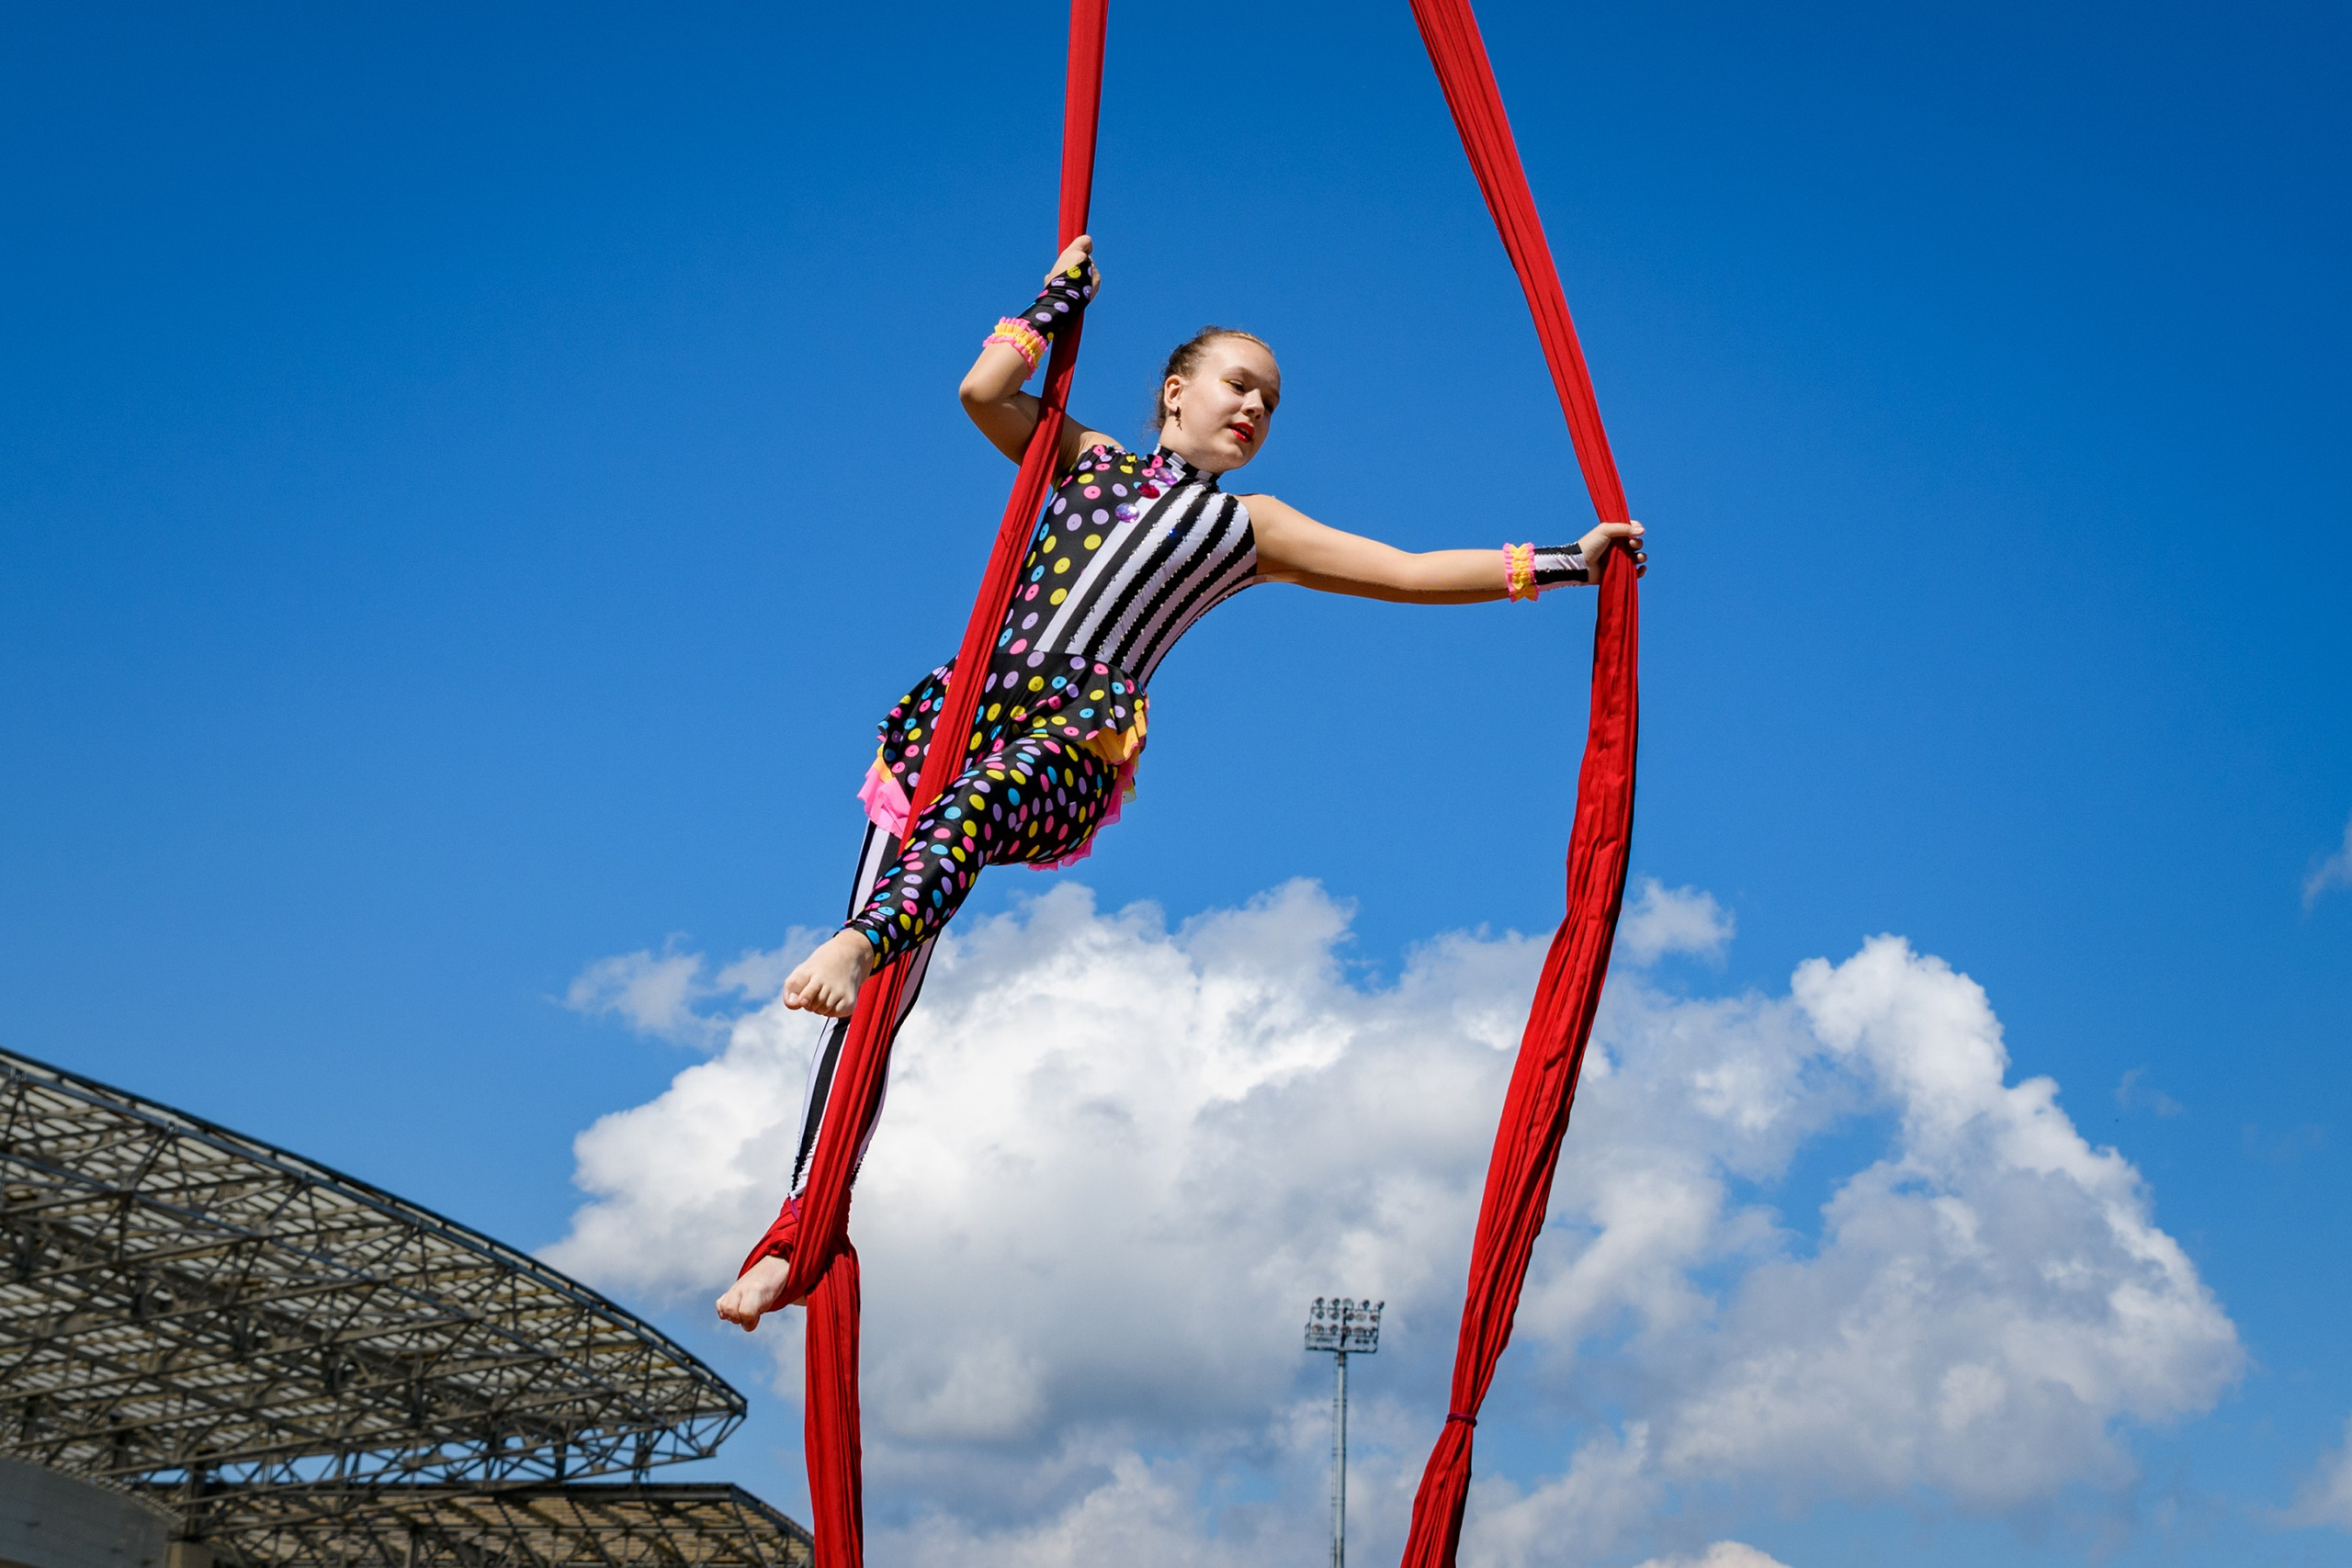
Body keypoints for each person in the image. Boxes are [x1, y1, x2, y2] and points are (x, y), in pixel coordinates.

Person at [716, 237, 1642, 1329]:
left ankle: (860, 941)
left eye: (1270, 403)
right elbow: (982, 393)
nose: (1254, 409)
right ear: (1172, 392)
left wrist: (1566, 562)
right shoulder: (1085, 459)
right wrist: (1052, 304)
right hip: (956, 719)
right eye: (1238, 385)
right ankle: (797, 1230)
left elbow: (1404, 572)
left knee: (955, 835)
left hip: (1068, 744)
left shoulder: (1253, 528)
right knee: (878, 1006)